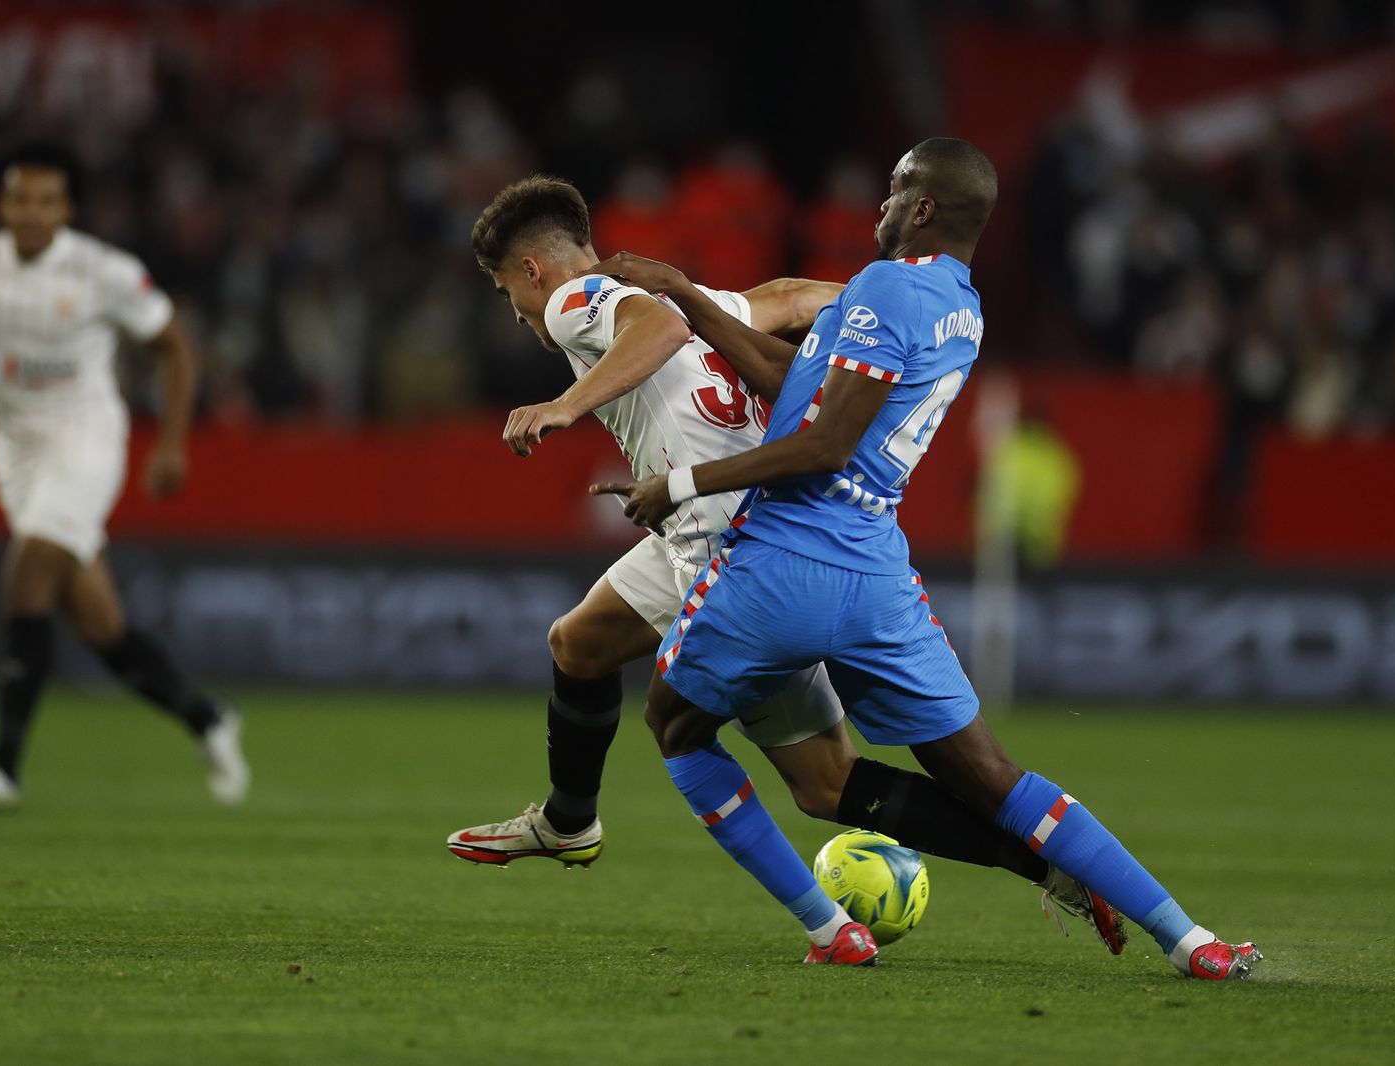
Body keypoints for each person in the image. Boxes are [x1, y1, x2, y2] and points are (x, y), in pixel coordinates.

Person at [592, 138, 1260, 978]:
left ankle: (830, 929)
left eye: (894, 189)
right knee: (992, 776)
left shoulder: (885, 283)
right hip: (876, 575)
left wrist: (680, 482)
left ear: (924, 209)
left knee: (676, 727)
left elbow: (827, 443)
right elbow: (796, 379)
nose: (877, 206)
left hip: (782, 561)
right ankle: (1191, 940)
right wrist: (689, 296)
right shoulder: (961, 307)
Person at [451, 175, 1125, 957]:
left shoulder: (577, 304)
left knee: (825, 784)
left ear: (532, 270)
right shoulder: (691, 294)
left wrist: (564, 409)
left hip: (730, 549)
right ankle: (570, 822)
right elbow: (790, 297)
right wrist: (893, 308)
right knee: (578, 642)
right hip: (713, 527)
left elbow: (657, 337)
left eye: (508, 295)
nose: (520, 314)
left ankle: (1039, 867)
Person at [0, 141, 249, 810]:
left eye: (47, 200)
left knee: (30, 566)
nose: (32, 211)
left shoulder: (102, 271)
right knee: (101, 628)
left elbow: (173, 344)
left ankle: (2, 767)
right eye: (20, 198)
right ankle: (207, 717)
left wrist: (171, 444)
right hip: (15, 451)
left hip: (87, 438)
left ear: (68, 207)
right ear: (0, 203)